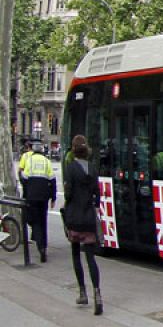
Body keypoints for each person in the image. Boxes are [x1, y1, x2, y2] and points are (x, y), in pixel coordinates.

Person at [60, 135, 104, 315]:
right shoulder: (93, 170)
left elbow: (68, 194)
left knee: (76, 254)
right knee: (91, 257)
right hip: (88, 218)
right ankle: (98, 293)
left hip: (74, 218)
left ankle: (82, 292)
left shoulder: (70, 169)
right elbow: (97, 196)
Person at [18, 142, 57, 263]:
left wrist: (26, 188)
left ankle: (40, 246)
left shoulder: (29, 160)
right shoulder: (46, 161)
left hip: (32, 195)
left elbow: (24, 177)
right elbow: (53, 180)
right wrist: (53, 197)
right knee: (43, 220)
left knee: (35, 221)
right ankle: (44, 246)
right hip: (44, 196)